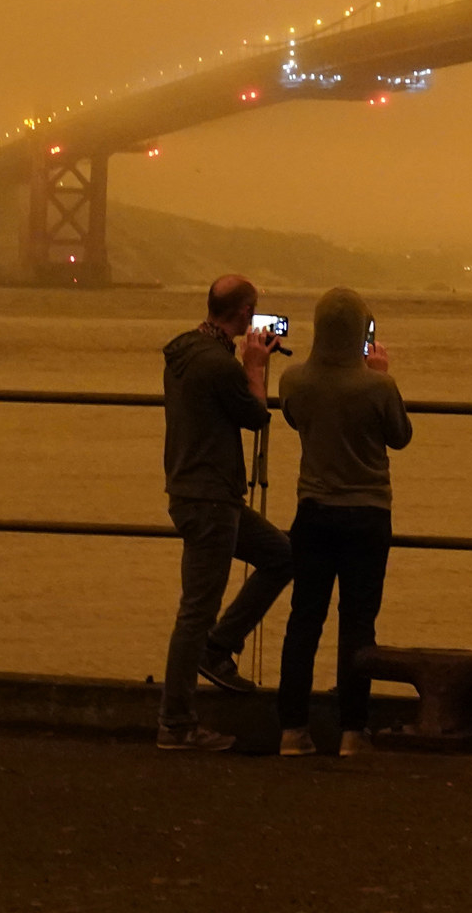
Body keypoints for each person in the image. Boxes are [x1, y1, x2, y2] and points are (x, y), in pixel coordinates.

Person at [274, 284, 412, 756]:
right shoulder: (378, 387)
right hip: (368, 514)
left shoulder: (293, 380)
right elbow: (400, 436)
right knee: (358, 624)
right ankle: (354, 731)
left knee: (303, 620)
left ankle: (292, 730)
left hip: (312, 511)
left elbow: (295, 421)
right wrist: (381, 374)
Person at [157, 272, 293, 751]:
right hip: (211, 499)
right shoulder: (220, 365)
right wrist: (255, 368)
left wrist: (243, 362)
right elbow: (255, 417)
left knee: (282, 555)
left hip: (194, 492)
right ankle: (176, 724)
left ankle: (218, 648)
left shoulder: (182, 352)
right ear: (242, 313)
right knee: (195, 611)